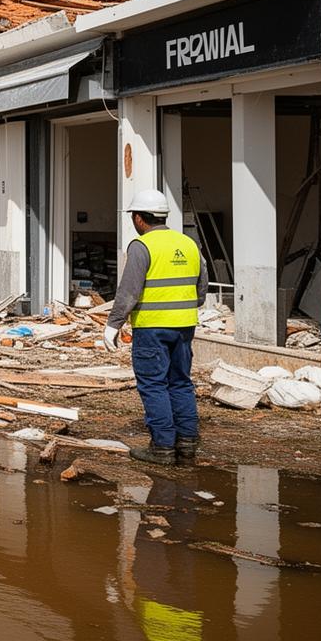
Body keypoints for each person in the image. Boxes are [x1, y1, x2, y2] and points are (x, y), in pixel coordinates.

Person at [105, 189, 207, 466]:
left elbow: (128, 291)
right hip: (185, 327)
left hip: (151, 329)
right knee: (181, 382)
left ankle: (162, 447)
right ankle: (187, 442)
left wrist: (113, 324)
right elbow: (201, 289)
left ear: (139, 218)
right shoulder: (188, 243)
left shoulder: (142, 246)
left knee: (153, 385)